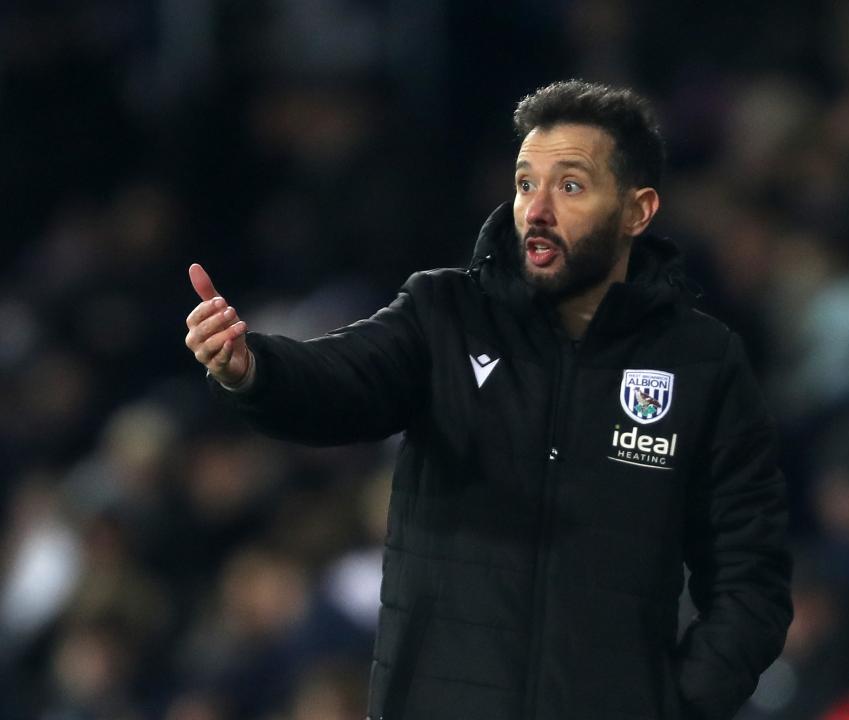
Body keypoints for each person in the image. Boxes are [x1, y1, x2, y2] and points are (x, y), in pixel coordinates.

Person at [184, 79, 792, 720]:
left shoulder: (701, 361)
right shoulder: (445, 315)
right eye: (526, 183)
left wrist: (673, 705)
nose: (537, 209)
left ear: (637, 210)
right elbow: (339, 379)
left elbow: (751, 578)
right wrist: (253, 366)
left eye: (571, 185)